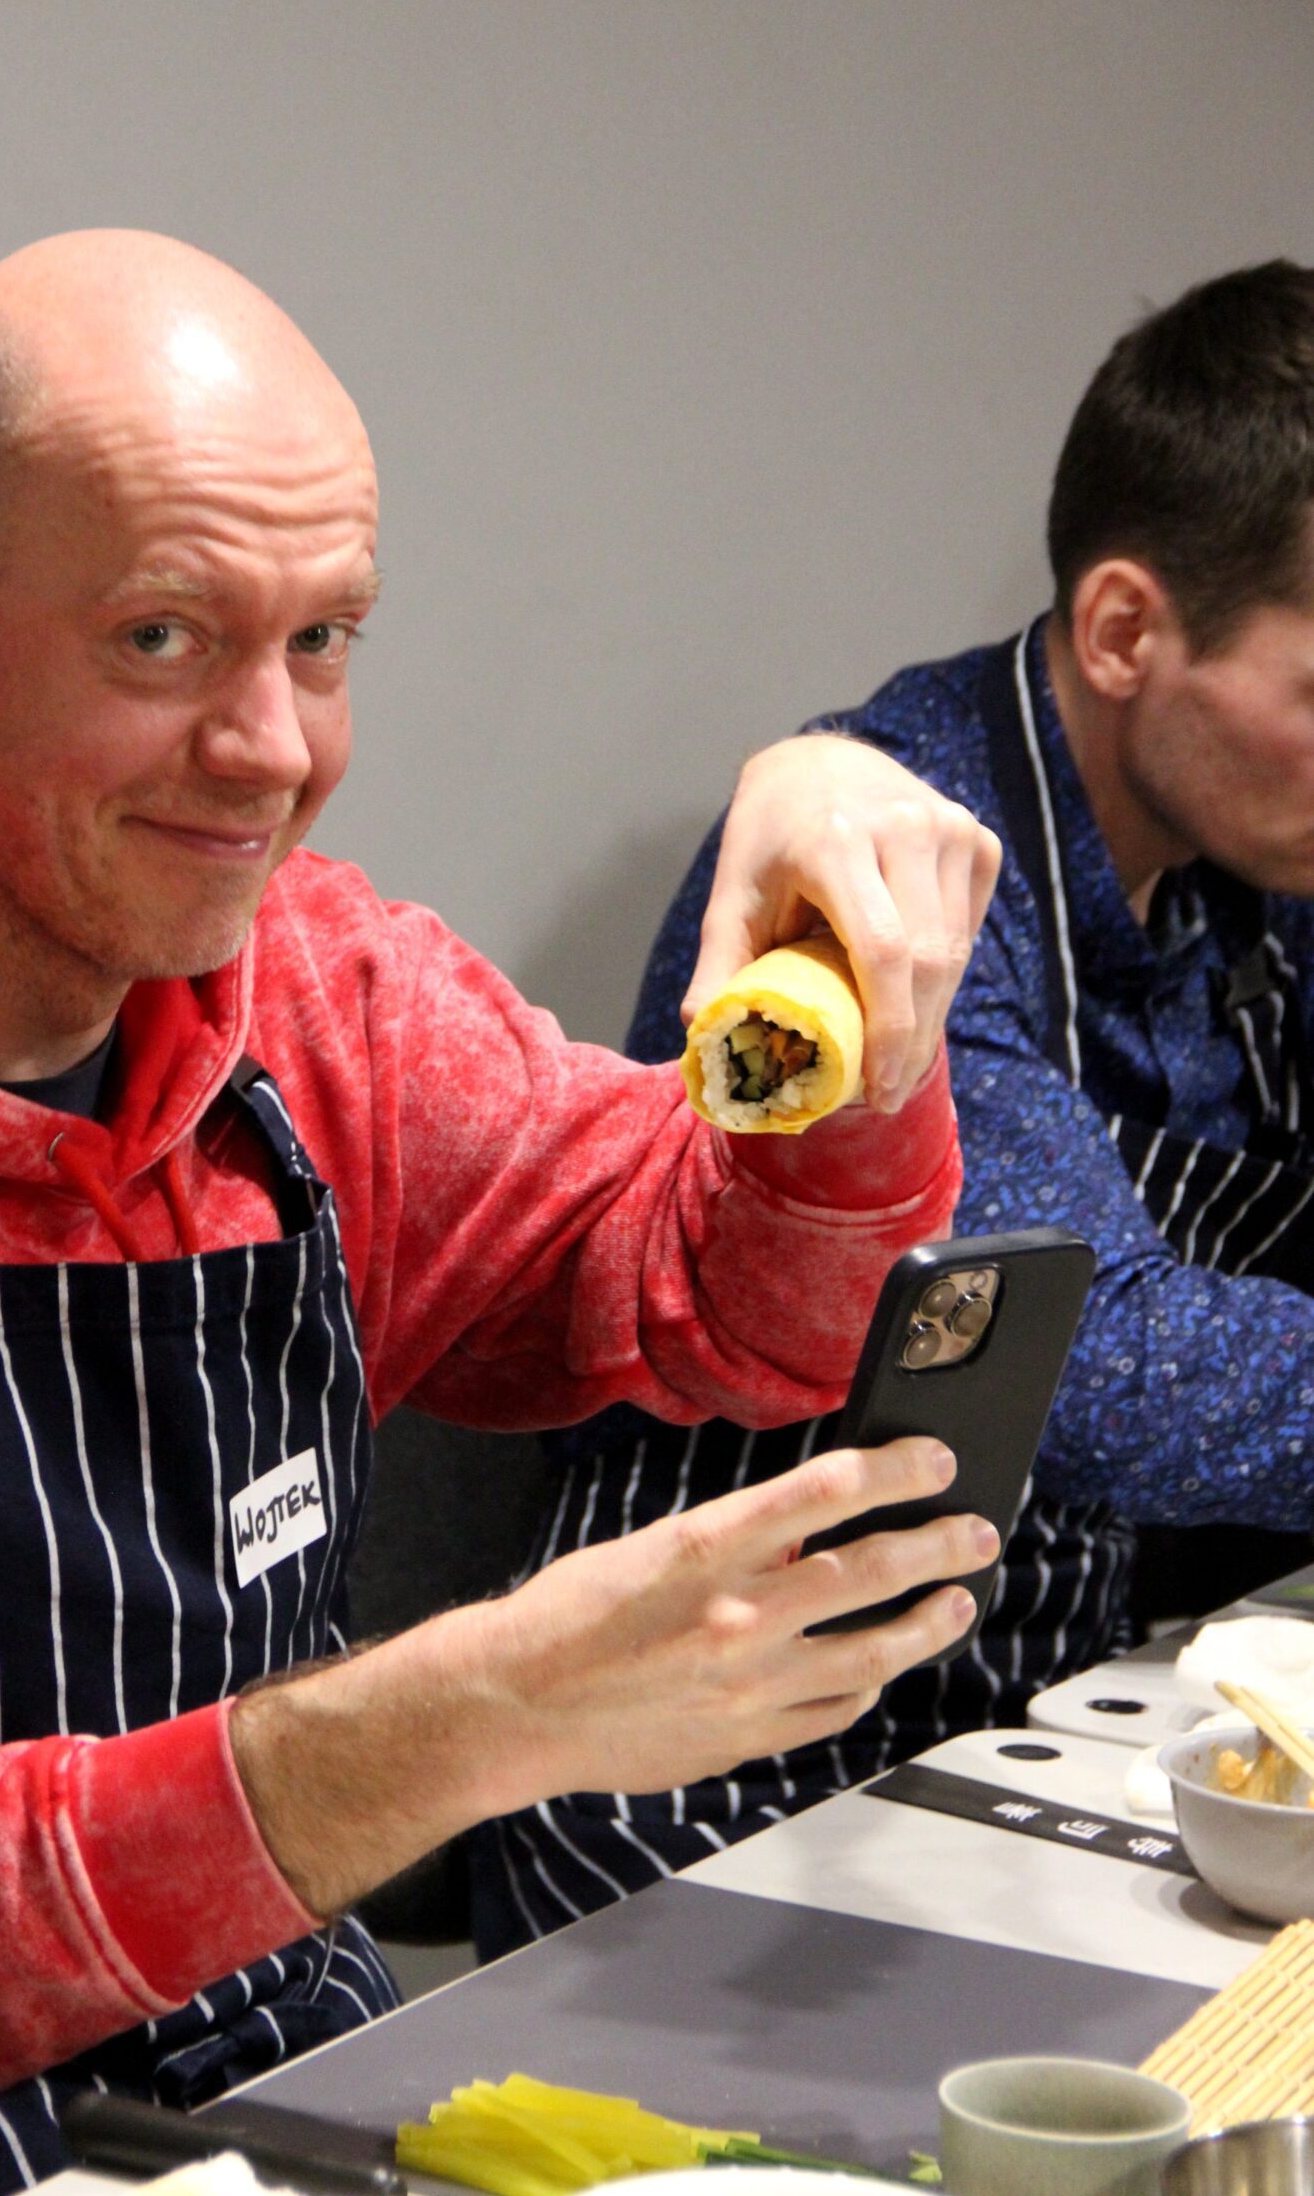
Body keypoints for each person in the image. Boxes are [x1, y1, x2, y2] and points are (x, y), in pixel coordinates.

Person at [0, 230, 1001, 2196]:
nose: (270, 750)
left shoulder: (303, 1000)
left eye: (325, 639)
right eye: (162, 637)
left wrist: (843, 950)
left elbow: (730, 1302)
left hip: (272, 2156)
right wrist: (458, 1724)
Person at [470, 255, 1314, 1962]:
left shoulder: (1252, 880)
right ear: (1126, 633)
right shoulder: (874, 871)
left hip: (1034, 1715)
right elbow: (1101, 1370)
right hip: (714, 1780)